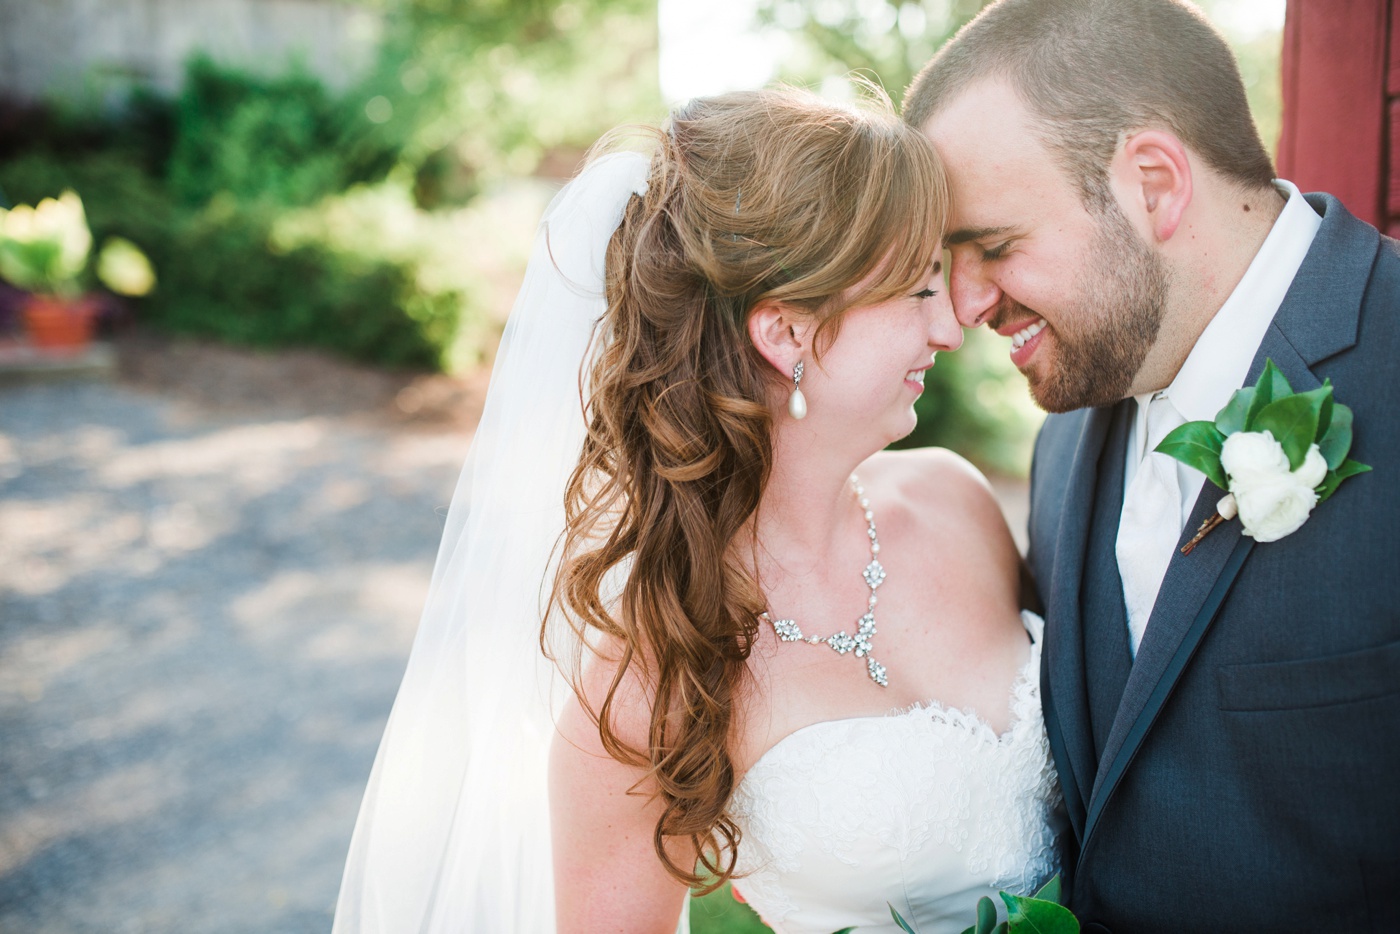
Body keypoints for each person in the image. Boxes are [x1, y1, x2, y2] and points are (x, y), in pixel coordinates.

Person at [333, 87, 1064, 934]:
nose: (953, 325)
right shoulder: (655, 662)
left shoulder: (955, 501)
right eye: (916, 289)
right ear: (786, 333)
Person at [902, 1, 1400, 931]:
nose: (964, 305)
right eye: (947, 260)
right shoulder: (1061, 449)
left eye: (995, 246)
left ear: (1156, 182)